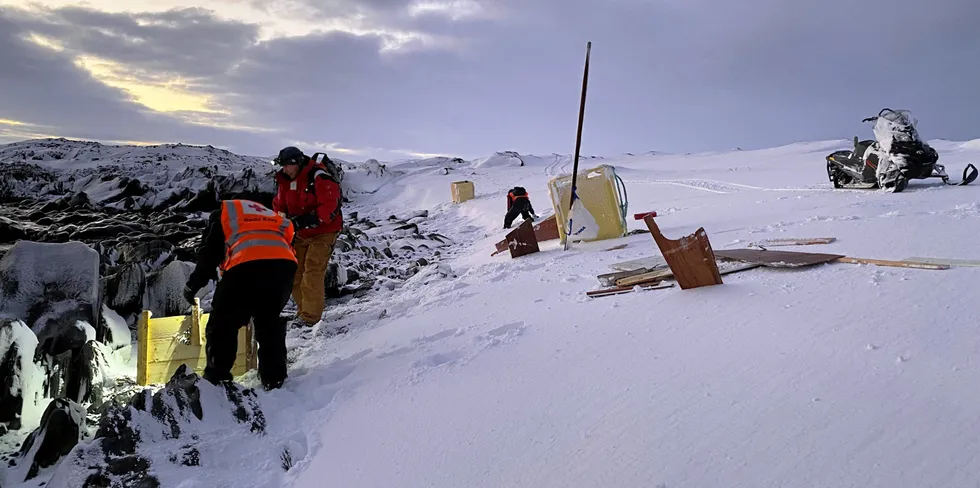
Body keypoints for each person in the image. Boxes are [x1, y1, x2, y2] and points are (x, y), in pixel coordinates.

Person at [183, 199, 298, 390]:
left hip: (245, 267)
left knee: (223, 323)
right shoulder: (265, 214)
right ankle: (274, 378)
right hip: (283, 267)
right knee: (268, 320)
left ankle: (217, 379)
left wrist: (193, 286)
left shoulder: (223, 214)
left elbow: (209, 254)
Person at [271, 146, 344, 327]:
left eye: (288, 165)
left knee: (312, 272)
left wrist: (306, 221)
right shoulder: (284, 181)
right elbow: (279, 204)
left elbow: (330, 204)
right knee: (295, 273)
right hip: (301, 233)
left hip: (324, 231)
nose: (285, 169)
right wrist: (281, 221)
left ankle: (310, 319)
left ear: (297, 163)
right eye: (283, 166)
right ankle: (304, 312)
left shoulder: (318, 176)